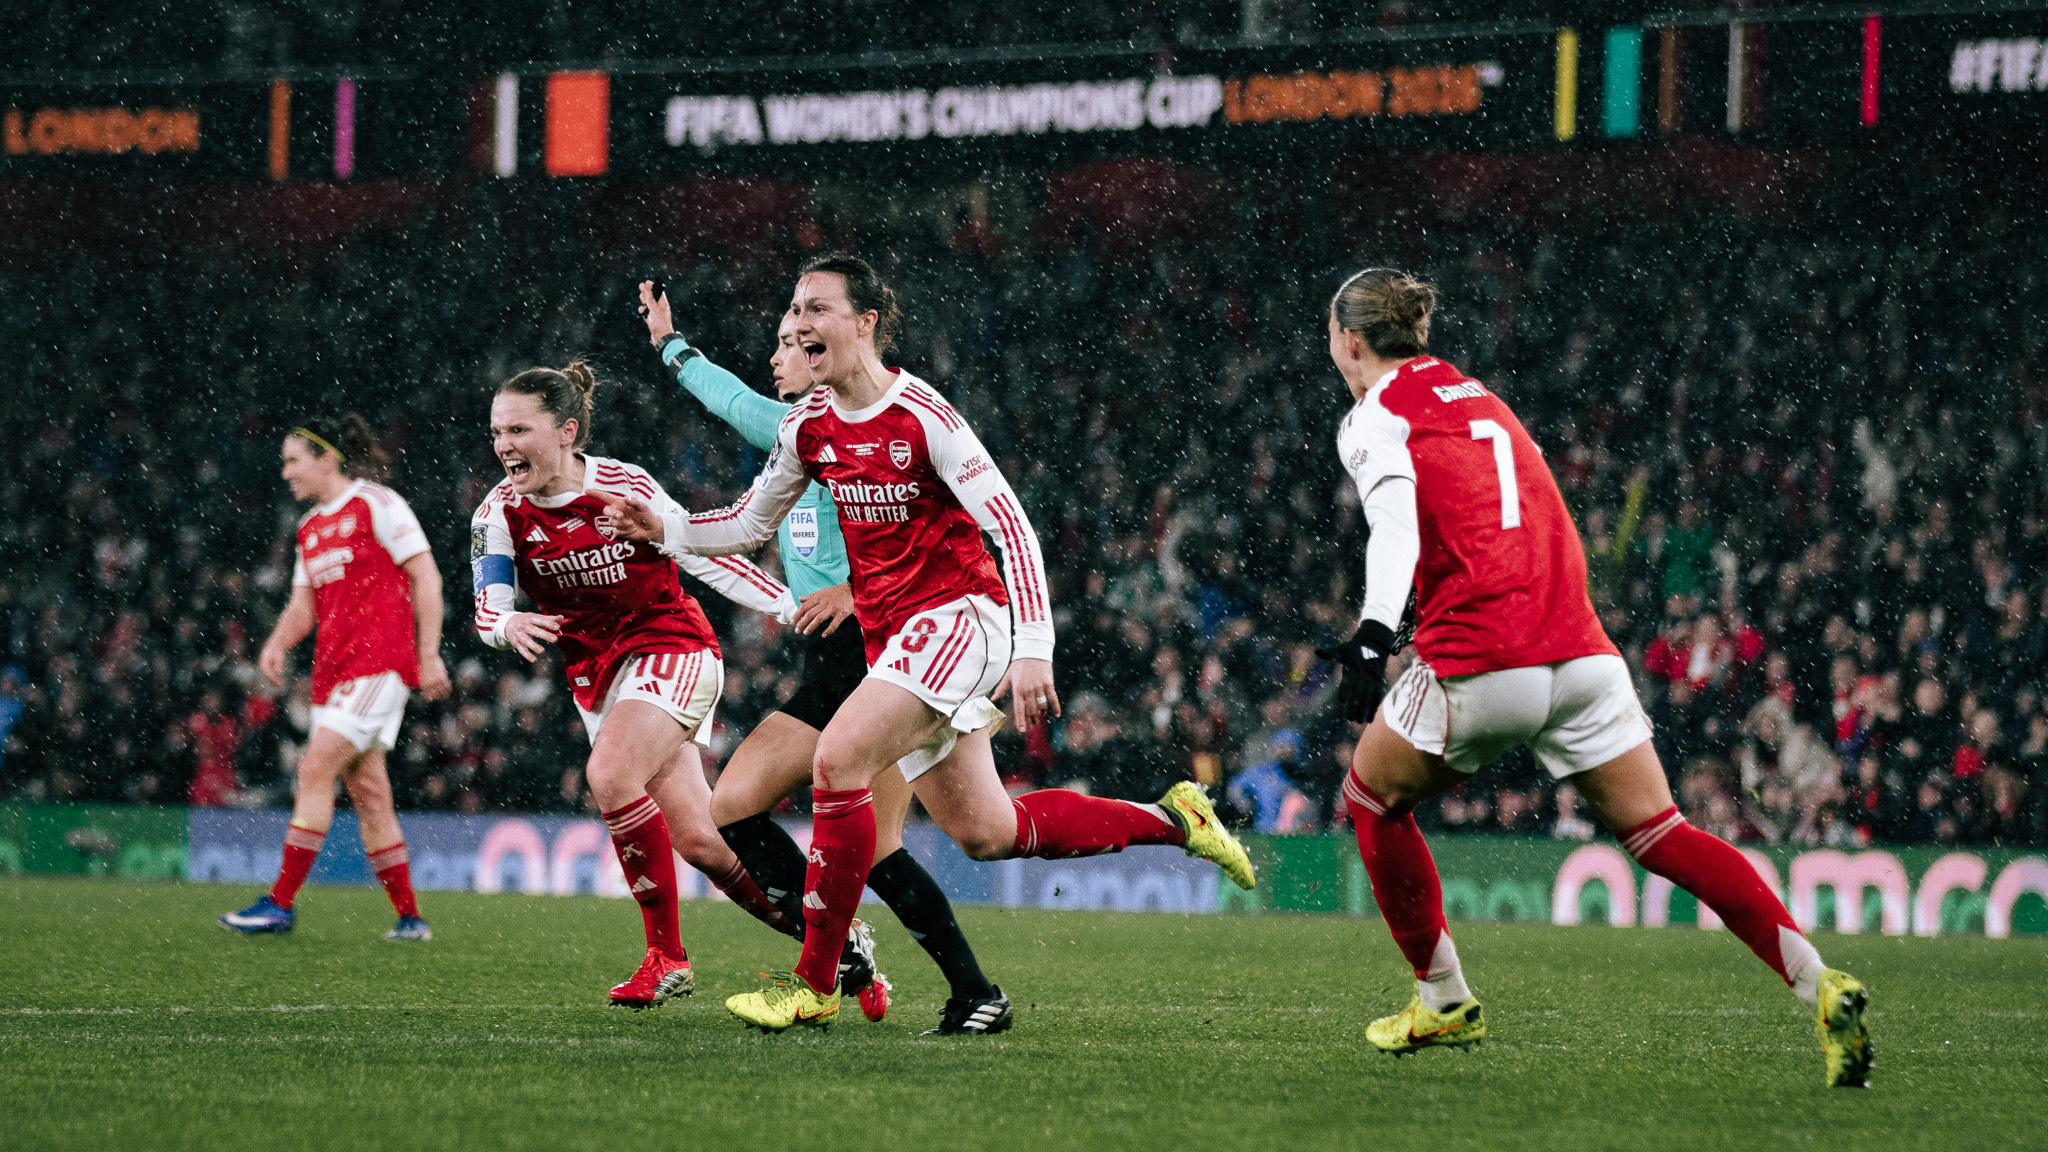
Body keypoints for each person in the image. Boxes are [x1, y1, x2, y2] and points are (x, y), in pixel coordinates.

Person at [602, 254, 1254, 1032]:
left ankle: (815, 980)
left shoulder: (925, 417)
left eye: (817, 309)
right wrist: (667, 526)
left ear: (865, 321)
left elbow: (1009, 525)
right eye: (794, 311)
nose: (801, 324)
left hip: (958, 621)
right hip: (895, 646)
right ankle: (1176, 819)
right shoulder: (809, 429)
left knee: (836, 762)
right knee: (988, 832)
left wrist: (1032, 647)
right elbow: (748, 523)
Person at [1315, 268, 1870, 1087]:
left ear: (1350, 342)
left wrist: (1372, 635)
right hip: (1579, 653)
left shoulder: (1374, 416)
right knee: (1663, 833)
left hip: (1484, 657)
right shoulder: (1484, 400)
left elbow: (1394, 523)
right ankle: (1819, 981)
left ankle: (1442, 996)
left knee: (1370, 798)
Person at [637, 280, 1001, 1033]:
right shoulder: (797, 434)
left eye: (795, 339)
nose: (781, 354)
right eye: (780, 337)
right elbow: (732, 420)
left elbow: (931, 542)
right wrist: (670, 349)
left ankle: (960, 988)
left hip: (888, 648)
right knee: (733, 806)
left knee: (898, 844)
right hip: (828, 661)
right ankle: (844, 951)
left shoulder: (866, 424)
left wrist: (852, 593)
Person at [471, 360, 819, 1009]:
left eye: (519, 429)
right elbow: (487, 606)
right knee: (702, 844)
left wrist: (786, 605)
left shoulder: (622, 489)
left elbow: (699, 554)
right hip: (599, 677)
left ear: (567, 431)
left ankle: (665, 957)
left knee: (608, 774)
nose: (504, 446)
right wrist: (507, 623)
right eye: (497, 432)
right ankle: (836, 948)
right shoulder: (498, 512)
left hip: (673, 646)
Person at [219, 416, 451, 941]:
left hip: (380, 666)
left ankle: (279, 903)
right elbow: (304, 606)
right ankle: (411, 918)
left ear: (326, 458)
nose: (284, 473)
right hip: (333, 675)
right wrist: (278, 643)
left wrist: (429, 654)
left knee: (313, 768)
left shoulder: (376, 503)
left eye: (293, 460)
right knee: (369, 792)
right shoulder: (308, 528)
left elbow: (426, 575)